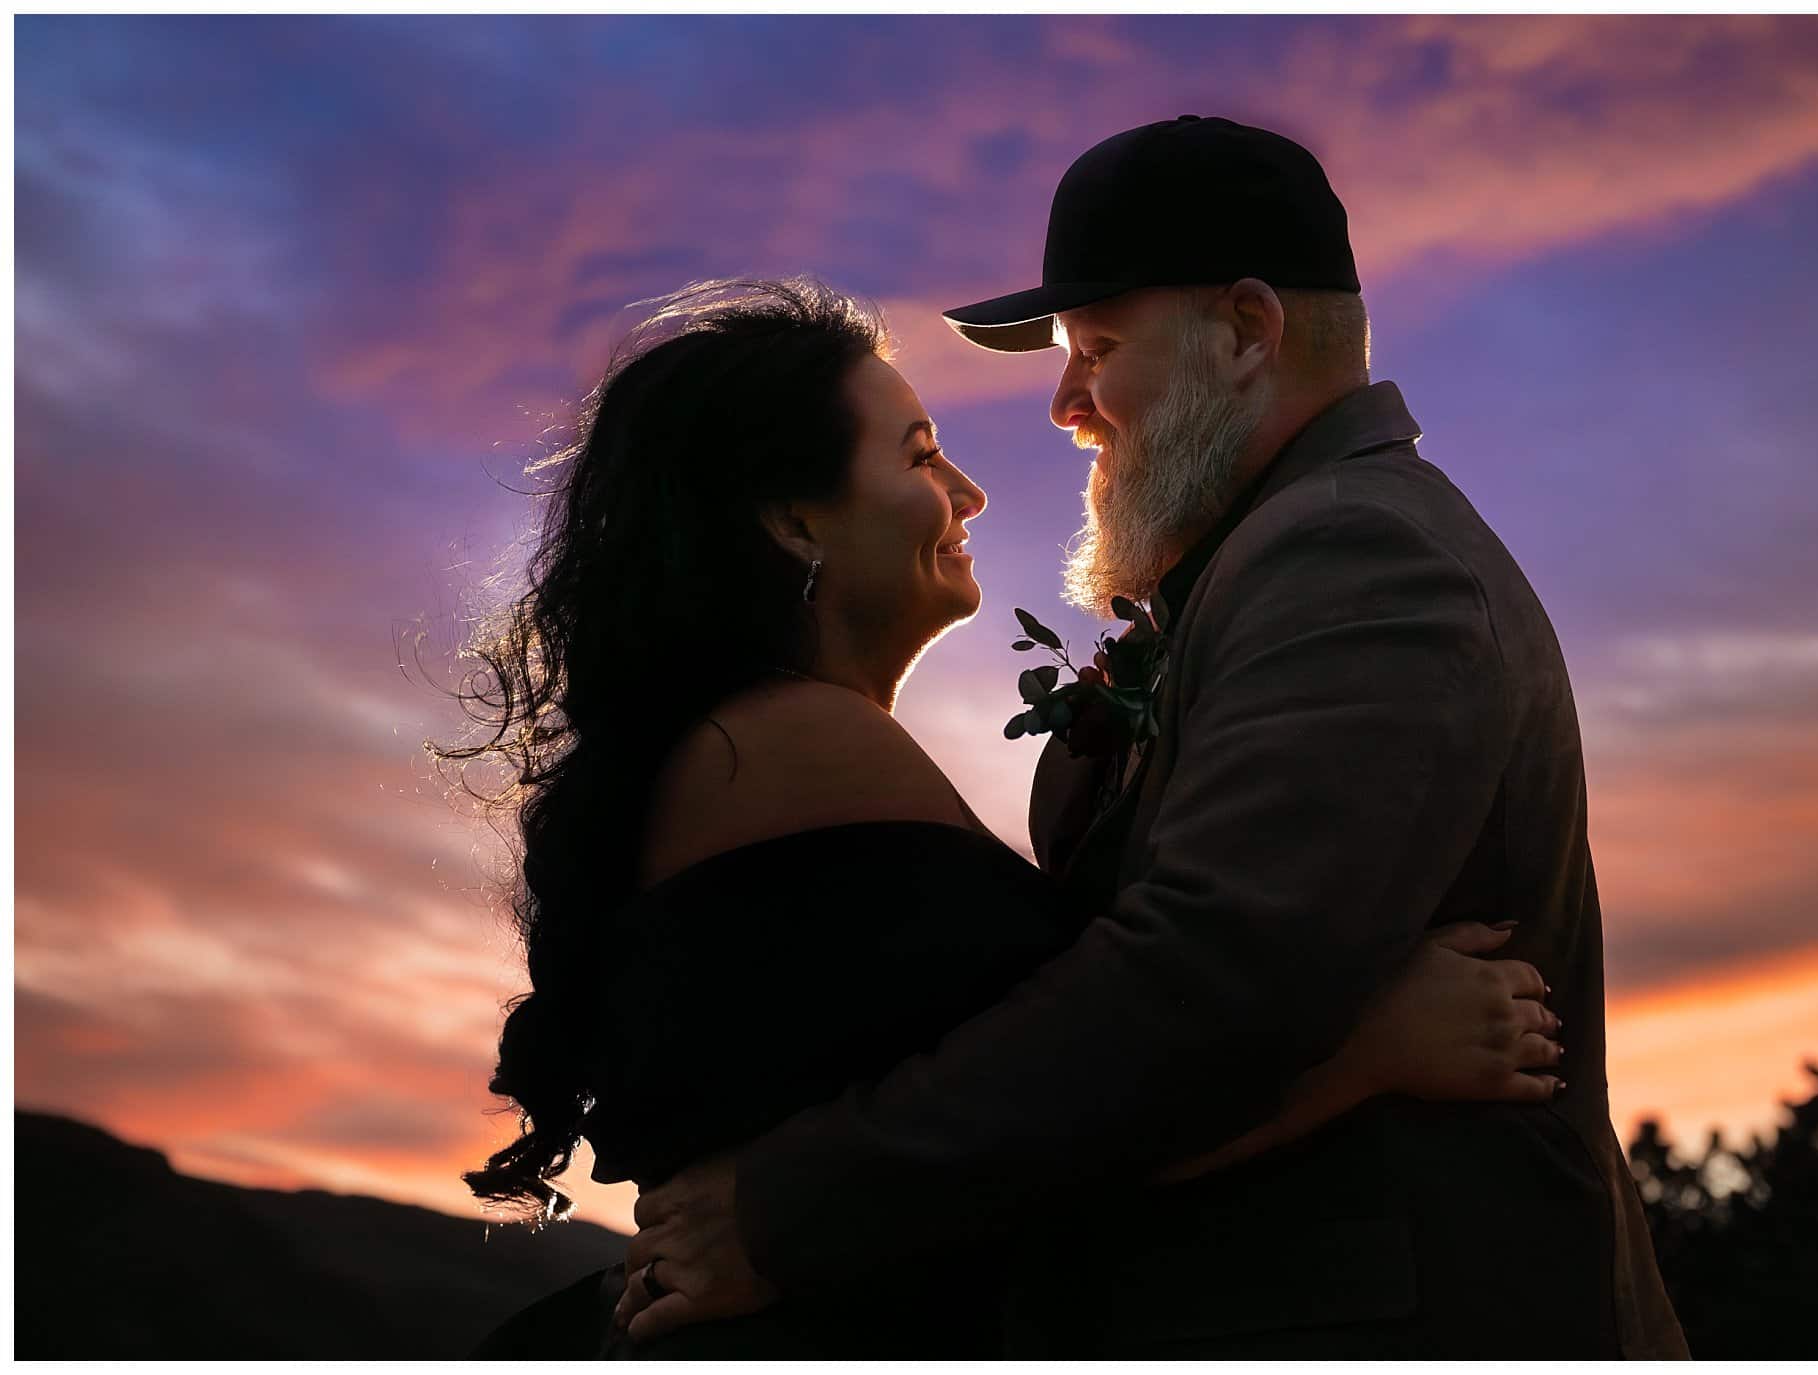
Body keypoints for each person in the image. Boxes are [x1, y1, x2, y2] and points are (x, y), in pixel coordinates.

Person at [614, 119, 1691, 1358]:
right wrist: (1372, 1040)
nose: (1067, 402)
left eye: (1098, 347)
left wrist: (784, 1216)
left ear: (1245, 329)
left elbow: (1208, 979)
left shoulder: (1355, 551)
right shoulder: (1250, 567)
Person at [448, 277, 1564, 1358]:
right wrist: (1370, 1044)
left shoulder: (745, 745)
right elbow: (1085, 1085)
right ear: (794, 520)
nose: (969, 493)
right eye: (920, 453)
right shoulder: (785, 743)